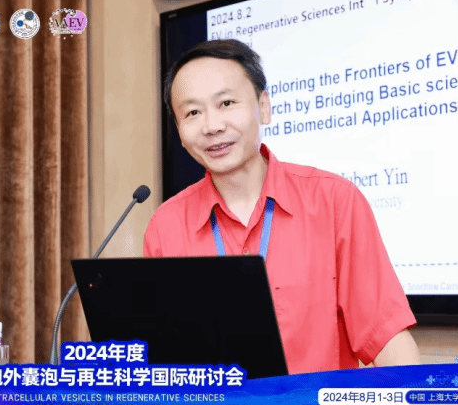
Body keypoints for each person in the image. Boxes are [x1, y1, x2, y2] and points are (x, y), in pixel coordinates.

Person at [144, 39, 421, 374]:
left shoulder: (335, 201)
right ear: (179, 130)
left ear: (264, 107)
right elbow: (158, 351)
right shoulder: (166, 225)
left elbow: (386, 337)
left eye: (226, 103)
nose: (212, 126)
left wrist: (413, 400)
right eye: (192, 113)